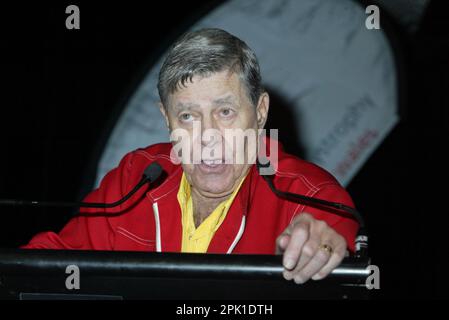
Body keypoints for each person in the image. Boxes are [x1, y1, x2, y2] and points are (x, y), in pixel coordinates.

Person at [23, 28, 359, 284]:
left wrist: (327, 247)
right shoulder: (137, 176)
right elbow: (49, 262)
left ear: (259, 112)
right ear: (166, 119)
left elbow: (332, 238)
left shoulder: (309, 195)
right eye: (187, 116)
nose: (207, 135)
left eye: (225, 111)